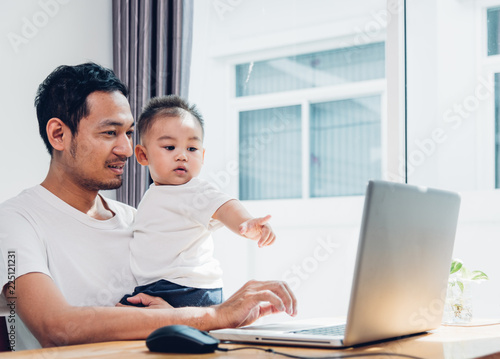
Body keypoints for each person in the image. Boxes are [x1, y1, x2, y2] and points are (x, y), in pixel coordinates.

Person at [0, 62, 297, 351]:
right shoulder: (15, 221)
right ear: (59, 135)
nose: (127, 149)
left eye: (129, 133)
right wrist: (215, 315)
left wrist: (174, 316)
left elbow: (165, 313)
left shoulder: (136, 219)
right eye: (109, 133)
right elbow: (56, 328)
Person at [119, 95, 276, 308]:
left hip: (186, 288)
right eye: (170, 147)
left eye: (191, 149)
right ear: (142, 155)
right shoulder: (156, 194)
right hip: (164, 287)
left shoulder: (193, 190)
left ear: (202, 156)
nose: (182, 156)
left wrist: (246, 222)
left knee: (122, 314)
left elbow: (223, 206)